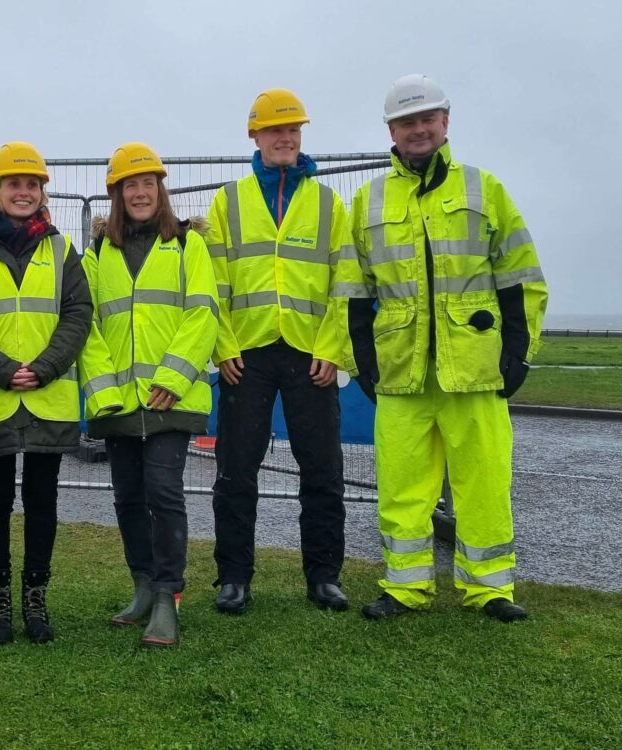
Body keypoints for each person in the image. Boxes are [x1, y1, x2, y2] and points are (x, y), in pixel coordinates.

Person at [346, 74, 549, 622]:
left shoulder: (485, 189)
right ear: (391, 129)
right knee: (402, 488)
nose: (418, 129)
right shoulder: (367, 201)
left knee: (483, 481)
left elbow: (521, 276)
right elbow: (351, 291)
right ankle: (404, 588)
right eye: (407, 121)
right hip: (400, 372)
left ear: (445, 122)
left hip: (475, 369)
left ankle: (489, 590)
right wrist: (362, 361)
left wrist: (519, 351)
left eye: (427, 118)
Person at [206, 88, 360, 614]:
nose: (286, 137)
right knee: (234, 471)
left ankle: (323, 576)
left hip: (310, 354)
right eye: (276, 130)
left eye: (294, 129)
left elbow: (346, 282)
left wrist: (333, 348)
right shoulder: (228, 201)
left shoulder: (327, 203)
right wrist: (222, 345)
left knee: (323, 470)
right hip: (245, 355)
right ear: (255, 136)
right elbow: (212, 283)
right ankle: (233, 577)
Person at [0, 142, 91, 645]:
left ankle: (35, 595)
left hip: (48, 396)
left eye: (32, 184)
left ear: (41, 192)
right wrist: (2, 370)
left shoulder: (62, 249)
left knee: (42, 500)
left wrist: (47, 367)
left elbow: (78, 313)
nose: (24, 192)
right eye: (14, 184)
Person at [78, 142, 218, 648]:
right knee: (128, 498)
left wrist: (173, 378)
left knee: (164, 492)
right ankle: (141, 585)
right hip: (119, 404)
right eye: (128, 186)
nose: (139, 193)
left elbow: (202, 314)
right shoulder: (97, 253)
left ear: (161, 190)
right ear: (116, 194)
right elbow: (86, 324)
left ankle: (167, 597)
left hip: (170, 401)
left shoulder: (187, 245)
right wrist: (105, 391)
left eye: (147, 184)